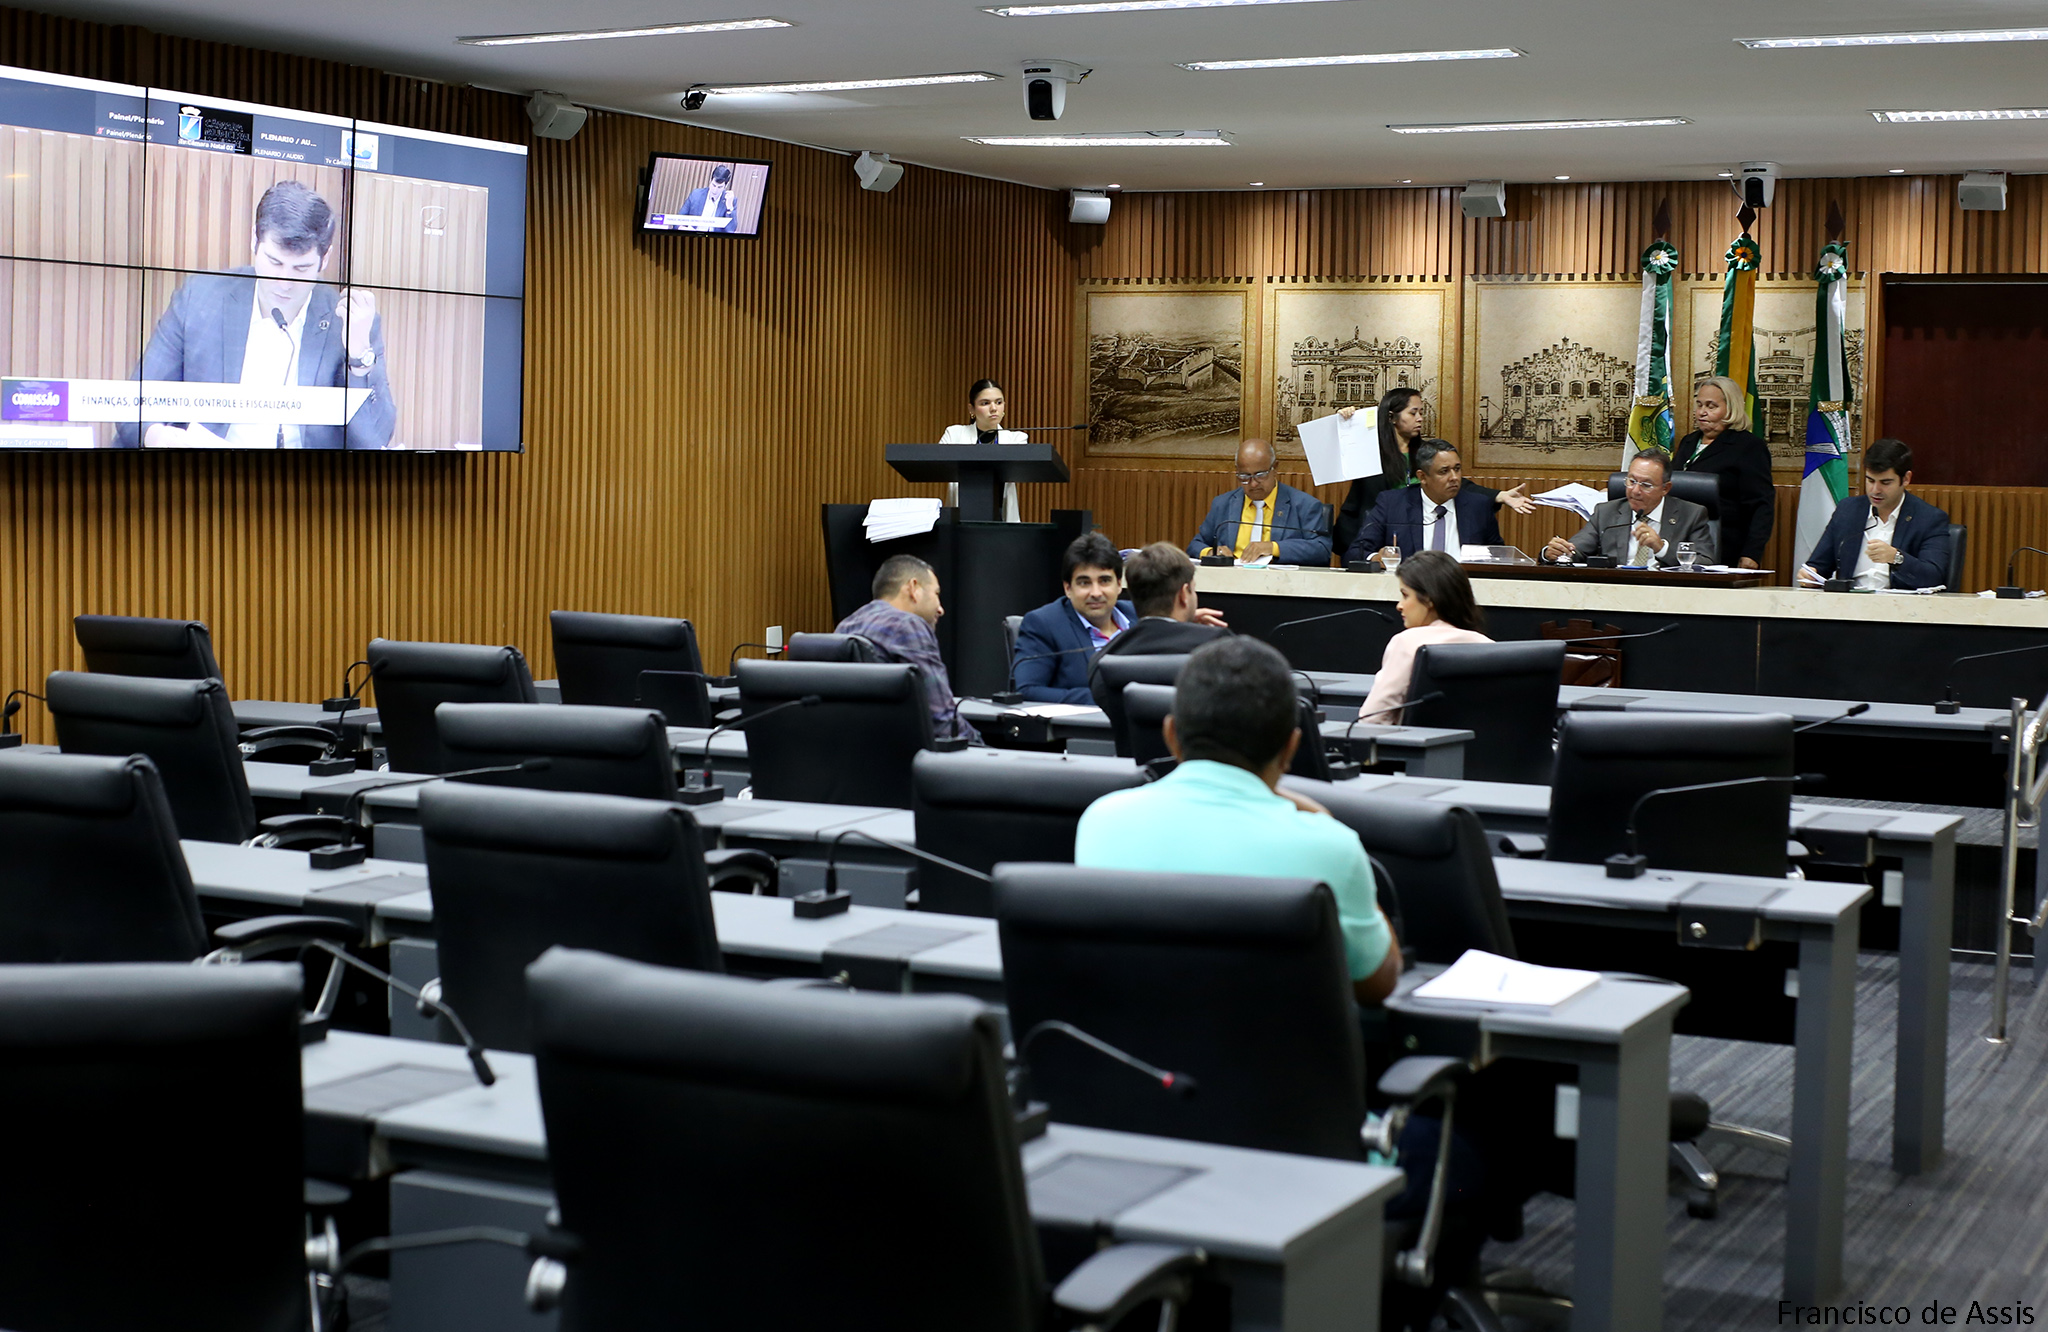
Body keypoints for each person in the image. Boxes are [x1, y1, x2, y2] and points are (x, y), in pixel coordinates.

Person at [1075, 636, 1402, 1003]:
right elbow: (1376, 982)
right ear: (1291, 747)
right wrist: (1327, 823)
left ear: (1170, 735)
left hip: (1134, 1038)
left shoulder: (1102, 821)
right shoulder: (1328, 844)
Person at [120, 179, 393, 450]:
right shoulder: (200, 299)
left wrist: (359, 358)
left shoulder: (347, 322)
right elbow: (133, 402)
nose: (284, 283)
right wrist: (156, 436)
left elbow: (374, 440)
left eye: (301, 269)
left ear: (325, 259)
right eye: (274, 262)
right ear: (254, 240)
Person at [1332, 387, 1533, 555]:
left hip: (1415, 534)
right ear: (1392, 417)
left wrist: (1500, 495)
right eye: (1413, 413)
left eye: (1421, 412)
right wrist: (1345, 421)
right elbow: (1336, 452)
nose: (1420, 418)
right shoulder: (1368, 451)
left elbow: (1456, 484)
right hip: (1375, 533)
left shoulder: (1426, 452)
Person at [833, 553, 975, 743]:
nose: (941, 609)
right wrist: (988, 749)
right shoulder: (908, 625)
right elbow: (942, 720)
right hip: (904, 754)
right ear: (913, 588)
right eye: (936, 594)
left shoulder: (845, 626)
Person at [1798, 438, 1953, 591]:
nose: (1875, 490)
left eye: (1885, 483)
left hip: (1900, 605)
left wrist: (1896, 558)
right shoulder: (1848, 511)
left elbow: (1934, 576)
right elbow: (1819, 566)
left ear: (1906, 479)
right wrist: (1811, 575)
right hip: (1850, 602)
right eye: (1870, 480)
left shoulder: (1929, 518)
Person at [1357, 551, 1491, 724]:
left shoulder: (1407, 643)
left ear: (1429, 599)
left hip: (1411, 741)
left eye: (1405, 595)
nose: (1399, 606)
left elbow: (1373, 718)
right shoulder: (1488, 647)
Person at [1012, 533, 1134, 704]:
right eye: (1084, 583)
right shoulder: (1043, 624)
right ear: (1068, 588)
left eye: (1104, 581)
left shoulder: (1139, 616)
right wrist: (1109, 699)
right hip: (1086, 720)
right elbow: (1027, 690)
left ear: (1119, 584)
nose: (1096, 593)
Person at [1342, 439, 1504, 565]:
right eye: (1444, 471)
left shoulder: (1478, 507)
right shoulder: (1392, 504)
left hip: (1463, 591)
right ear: (1422, 477)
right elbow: (1355, 553)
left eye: (1457, 469)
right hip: (1409, 589)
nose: (1454, 477)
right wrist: (1376, 558)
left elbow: (1500, 558)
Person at [1542, 449, 1712, 567]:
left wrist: (1661, 548)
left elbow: (1706, 563)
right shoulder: (1606, 513)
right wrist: (1555, 553)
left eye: (1646, 485)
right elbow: (1576, 550)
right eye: (1631, 481)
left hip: (1667, 595)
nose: (1635, 490)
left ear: (1665, 488)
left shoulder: (1691, 515)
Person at [1671, 376, 1774, 568]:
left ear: (1731, 408)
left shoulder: (1748, 446)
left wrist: (1752, 552)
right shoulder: (1688, 442)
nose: (1702, 412)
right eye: (1699, 405)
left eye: (1711, 406)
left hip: (1725, 544)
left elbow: (1761, 505)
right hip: (1680, 539)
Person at [1187, 438, 1333, 565]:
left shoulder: (1304, 505)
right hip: (1231, 581)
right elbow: (1195, 545)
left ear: (1275, 468)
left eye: (1260, 475)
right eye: (1244, 476)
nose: (1253, 483)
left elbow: (1321, 550)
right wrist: (1211, 552)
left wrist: (1272, 548)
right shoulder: (1223, 504)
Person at [938, 378, 1027, 521]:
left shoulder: (1016, 439)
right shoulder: (954, 434)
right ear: (971, 409)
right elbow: (938, 465)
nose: (994, 408)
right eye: (985, 403)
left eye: (999, 402)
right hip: (960, 517)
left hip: (1001, 518)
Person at [681, 164, 739, 228]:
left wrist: (729, 208)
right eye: (713, 185)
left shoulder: (730, 201)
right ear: (710, 181)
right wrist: (681, 227)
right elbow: (679, 219)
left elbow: (731, 229)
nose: (715, 190)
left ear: (725, 186)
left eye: (719, 187)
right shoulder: (696, 194)